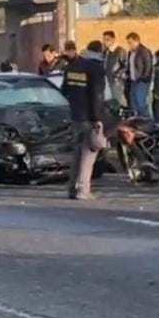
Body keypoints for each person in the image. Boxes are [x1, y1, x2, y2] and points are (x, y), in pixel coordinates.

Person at [61, 40, 107, 201]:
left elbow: (64, 90)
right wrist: (98, 118)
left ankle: (72, 188)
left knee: (77, 153)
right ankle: (83, 190)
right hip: (89, 116)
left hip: (75, 115)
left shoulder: (72, 66)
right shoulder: (96, 69)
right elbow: (97, 95)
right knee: (89, 154)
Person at [126, 33, 153, 119]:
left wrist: (144, 77)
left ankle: (147, 119)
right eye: (128, 43)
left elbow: (148, 66)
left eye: (130, 42)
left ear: (136, 41)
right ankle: (137, 119)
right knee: (133, 100)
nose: (129, 45)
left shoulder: (144, 51)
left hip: (142, 81)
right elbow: (130, 66)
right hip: (133, 81)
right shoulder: (130, 53)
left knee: (140, 101)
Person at [102, 30, 129, 107]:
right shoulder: (105, 51)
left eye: (107, 40)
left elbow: (125, 65)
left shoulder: (120, 51)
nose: (105, 42)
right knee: (110, 102)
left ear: (113, 39)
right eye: (104, 39)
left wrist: (117, 75)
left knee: (118, 100)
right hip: (107, 80)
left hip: (116, 81)